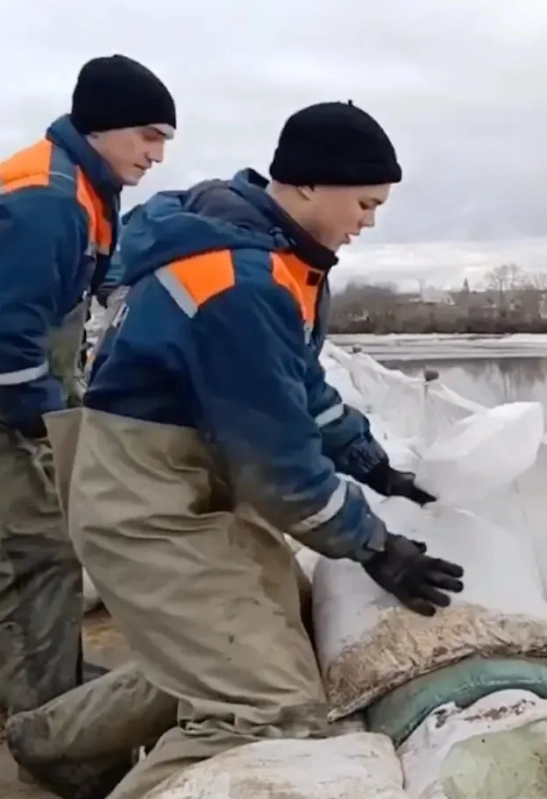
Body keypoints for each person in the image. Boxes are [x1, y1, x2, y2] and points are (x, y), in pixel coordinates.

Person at [48, 101, 464, 798]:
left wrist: (372, 463)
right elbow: (280, 470)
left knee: (260, 635)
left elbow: (299, 385)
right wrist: (377, 547)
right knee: (271, 710)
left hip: (186, 485)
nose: (369, 220)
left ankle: (48, 744)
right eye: (364, 202)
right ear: (309, 184)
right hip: (147, 506)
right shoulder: (239, 280)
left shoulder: (273, 257)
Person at [0, 54, 175, 726]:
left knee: (37, 547)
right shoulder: (48, 200)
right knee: (36, 552)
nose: (157, 154)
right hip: (10, 402)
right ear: (103, 127)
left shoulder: (85, 190)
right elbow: (10, 335)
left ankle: (49, 681)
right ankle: (46, 722)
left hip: (25, 395)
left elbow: (91, 289)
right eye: (149, 136)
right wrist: (48, 427)